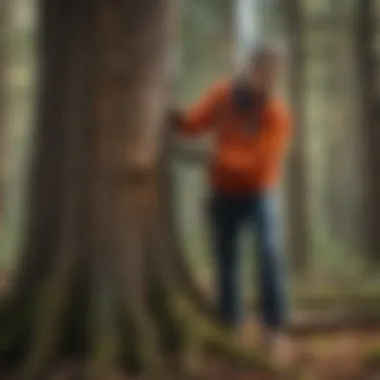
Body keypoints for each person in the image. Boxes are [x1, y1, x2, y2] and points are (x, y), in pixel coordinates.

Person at [171, 41, 293, 364]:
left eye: (273, 73)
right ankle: (230, 326)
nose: (265, 78)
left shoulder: (276, 113)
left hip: (259, 193)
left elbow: (262, 162)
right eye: (262, 70)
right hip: (224, 192)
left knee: (269, 254)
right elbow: (194, 123)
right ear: (250, 68)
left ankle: (274, 328)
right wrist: (176, 118)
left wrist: (216, 158)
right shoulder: (222, 94)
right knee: (226, 260)